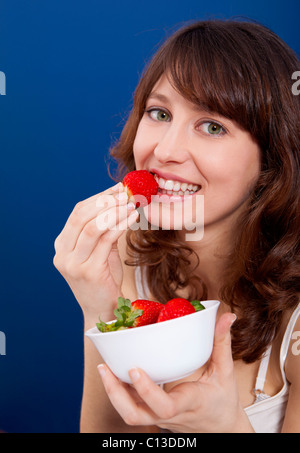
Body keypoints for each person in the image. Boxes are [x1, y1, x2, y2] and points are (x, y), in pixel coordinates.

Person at [53, 19, 300, 433]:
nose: (164, 151)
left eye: (213, 126)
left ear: (272, 161)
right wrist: (100, 312)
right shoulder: (128, 254)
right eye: (159, 113)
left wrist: (224, 426)